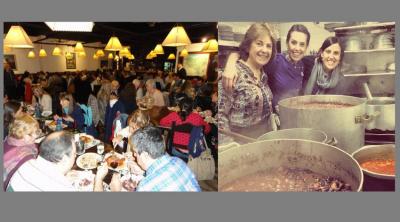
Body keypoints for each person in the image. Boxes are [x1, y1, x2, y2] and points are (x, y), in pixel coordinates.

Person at [222, 24, 313, 108]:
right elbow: (247, 56)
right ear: (287, 43)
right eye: (293, 42)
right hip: (275, 116)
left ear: (306, 47)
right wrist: (230, 64)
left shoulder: (303, 65)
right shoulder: (275, 61)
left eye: (302, 44)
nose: (297, 48)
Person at [218, 23, 276, 138]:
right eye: (259, 44)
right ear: (248, 46)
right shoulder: (233, 74)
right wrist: (231, 146)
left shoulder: (263, 74)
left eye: (269, 46)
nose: (264, 50)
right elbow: (220, 116)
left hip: (263, 139)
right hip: (240, 143)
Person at [99, 126, 200, 192]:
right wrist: (143, 172)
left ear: (145, 155)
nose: (134, 155)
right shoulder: (179, 162)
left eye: (135, 153)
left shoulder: (146, 186)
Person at [7, 131, 106, 191]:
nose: (75, 156)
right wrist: (99, 179)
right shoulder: (63, 188)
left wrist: (63, 177)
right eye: (74, 154)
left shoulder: (25, 165)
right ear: (64, 159)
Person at [160, 97, 211, 162]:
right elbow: (207, 129)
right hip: (192, 152)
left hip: (175, 150)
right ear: (192, 108)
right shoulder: (197, 117)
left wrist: (172, 126)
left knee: (168, 138)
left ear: (179, 107)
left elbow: (161, 122)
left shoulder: (173, 115)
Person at [3, 114, 40, 191]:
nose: (35, 136)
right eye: (30, 134)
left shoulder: (8, 140)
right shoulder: (26, 157)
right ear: (20, 133)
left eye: (36, 132)